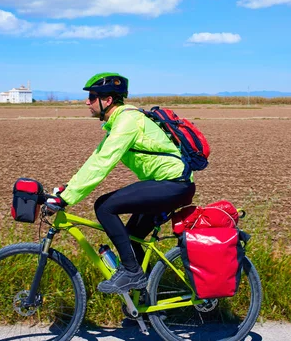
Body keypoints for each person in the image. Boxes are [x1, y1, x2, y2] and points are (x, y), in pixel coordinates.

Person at [46, 72, 195, 294]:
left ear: (107, 101)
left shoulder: (128, 121)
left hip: (173, 183)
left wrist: (66, 199)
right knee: (133, 239)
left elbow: (103, 163)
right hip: (169, 184)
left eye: (92, 96)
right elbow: (96, 159)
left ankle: (132, 274)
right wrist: (67, 189)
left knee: (104, 206)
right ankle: (147, 300)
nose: (87, 102)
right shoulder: (119, 123)